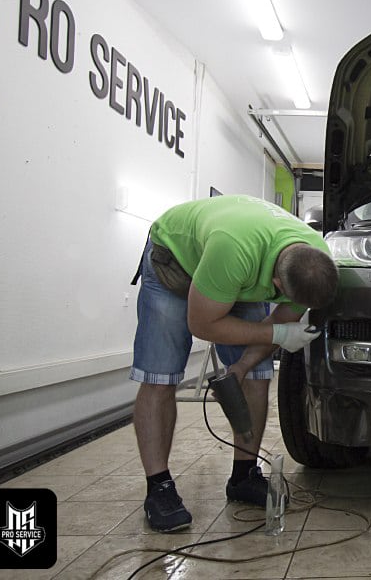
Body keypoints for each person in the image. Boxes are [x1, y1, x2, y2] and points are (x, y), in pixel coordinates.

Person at [129, 194, 338, 532]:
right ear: (277, 285)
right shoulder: (233, 253)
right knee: (160, 375)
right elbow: (202, 324)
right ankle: (159, 487)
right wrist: (279, 335)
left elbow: (280, 324)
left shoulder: (314, 261)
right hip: (175, 262)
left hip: (238, 271)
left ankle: (243, 476)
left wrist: (241, 365)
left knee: (256, 375)